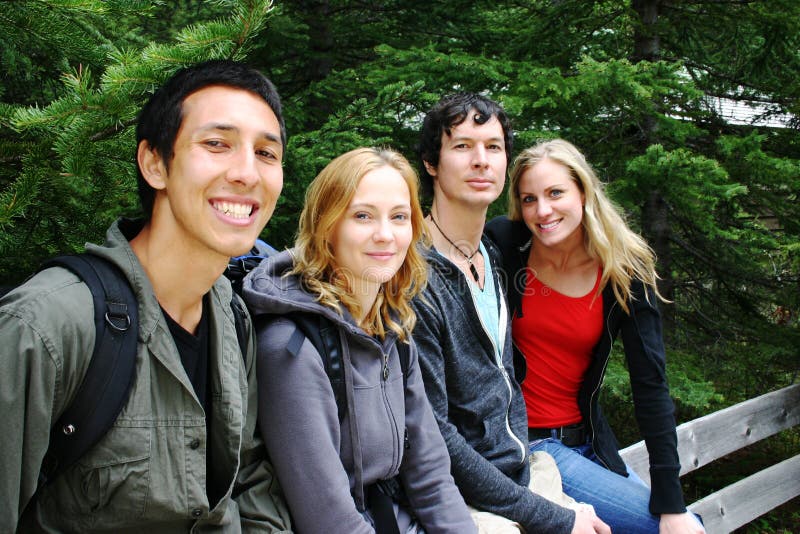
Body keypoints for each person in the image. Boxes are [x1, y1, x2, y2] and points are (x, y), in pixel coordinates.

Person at [0, 59, 292, 532]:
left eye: (266, 153)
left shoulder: (233, 319)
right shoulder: (49, 326)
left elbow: (251, 476)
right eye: (217, 144)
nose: (246, 172)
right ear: (155, 163)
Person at [243, 147, 476, 533]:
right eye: (363, 216)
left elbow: (431, 474)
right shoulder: (291, 345)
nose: (385, 235)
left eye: (399, 217)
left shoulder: (393, 328)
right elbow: (327, 518)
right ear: (327, 227)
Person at [410, 93, 610, 534]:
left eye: (494, 147)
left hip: (522, 475)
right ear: (431, 162)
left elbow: (505, 380)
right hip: (462, 501)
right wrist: (551, 516)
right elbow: (434, 433)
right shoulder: (413, 273)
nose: (481, 160)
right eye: (462, 146)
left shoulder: (493, 257)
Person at [485, 138, 705, 534]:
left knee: (679, 523)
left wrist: (672, 503)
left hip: (590, 444)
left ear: (583, 191)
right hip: (530, 445)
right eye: (529, 198)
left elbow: (650, 384)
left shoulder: (623, 270)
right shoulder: (505, 244)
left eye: (555, 193)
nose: (543, 210)